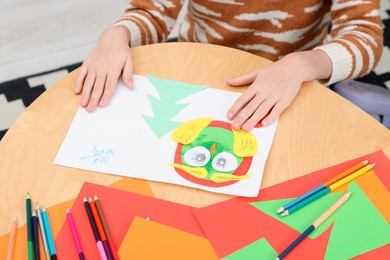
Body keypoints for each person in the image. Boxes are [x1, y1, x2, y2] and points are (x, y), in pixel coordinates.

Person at [75, 0, 383, 131]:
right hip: (200, 69)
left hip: (288, 85)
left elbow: (365, 36)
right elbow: (153, 12)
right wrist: (118, 33)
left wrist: (305, 63)